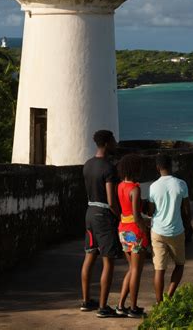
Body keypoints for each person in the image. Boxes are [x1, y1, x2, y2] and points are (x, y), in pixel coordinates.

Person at [80, 129, 120, 318]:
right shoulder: (109, 168)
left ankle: (86, 300)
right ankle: (103, 306)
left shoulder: (87, 165)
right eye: (113, 140)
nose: (115, 143)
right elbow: (111, 200)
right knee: (108, 260)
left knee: (89, 256)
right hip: (103, 215)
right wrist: (119, 215)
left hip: (89, 212)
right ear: (106, 143)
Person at [148, 153, 192, 303]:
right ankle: (169, 297)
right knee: (179, 265)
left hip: (157, 231)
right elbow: (186, 210)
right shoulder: (181, 184)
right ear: (171, 165)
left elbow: (150, 210)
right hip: (176, 230)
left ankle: (159, 303)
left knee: (159, 270)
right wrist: (188, 226)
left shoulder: (153, 187)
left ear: (157, 167)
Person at [115, 153, 149, 319]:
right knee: (136, 270)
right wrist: (146, 230)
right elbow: (137, 216)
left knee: (131, 268)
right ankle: (133, 307)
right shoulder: (135, 189)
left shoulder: (120, 186)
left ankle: (121, 305)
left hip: (122, 229)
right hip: (135, 230)